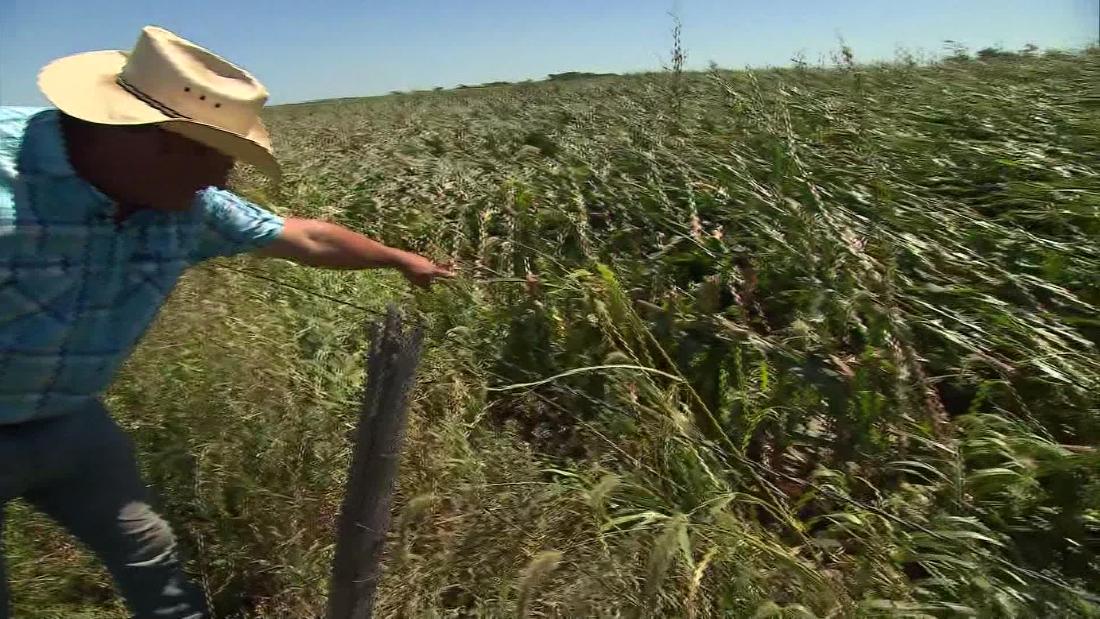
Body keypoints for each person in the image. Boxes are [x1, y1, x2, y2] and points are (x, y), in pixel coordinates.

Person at [0, 26, 453, 618]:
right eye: (215, 154)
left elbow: (305, 236)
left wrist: (400, 260)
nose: (220, 179)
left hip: (70, 417)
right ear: (155, 139)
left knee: (148, 551)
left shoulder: (184, 203)